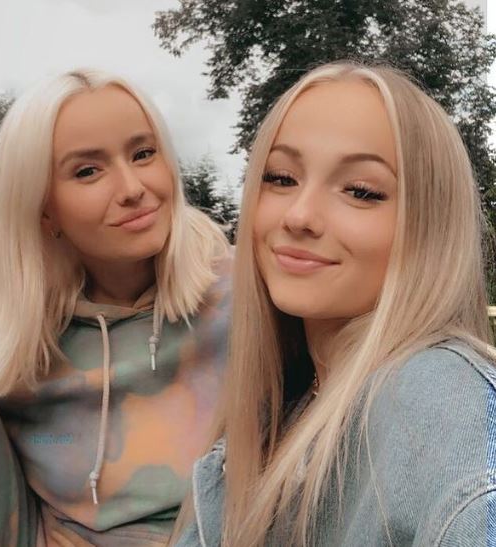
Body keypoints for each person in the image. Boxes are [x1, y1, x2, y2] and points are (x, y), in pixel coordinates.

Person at [174, 62, 496, 546]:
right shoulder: (286, 400)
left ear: (430, 225)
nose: (300, 215)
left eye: (361, 191)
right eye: (281, 178)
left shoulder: (444, 401)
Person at [0, 68, 231, 546]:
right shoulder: (10, 351)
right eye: (88, 170)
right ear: (44, 210)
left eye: (144, 153)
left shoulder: (245, 301)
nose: (132, 188)